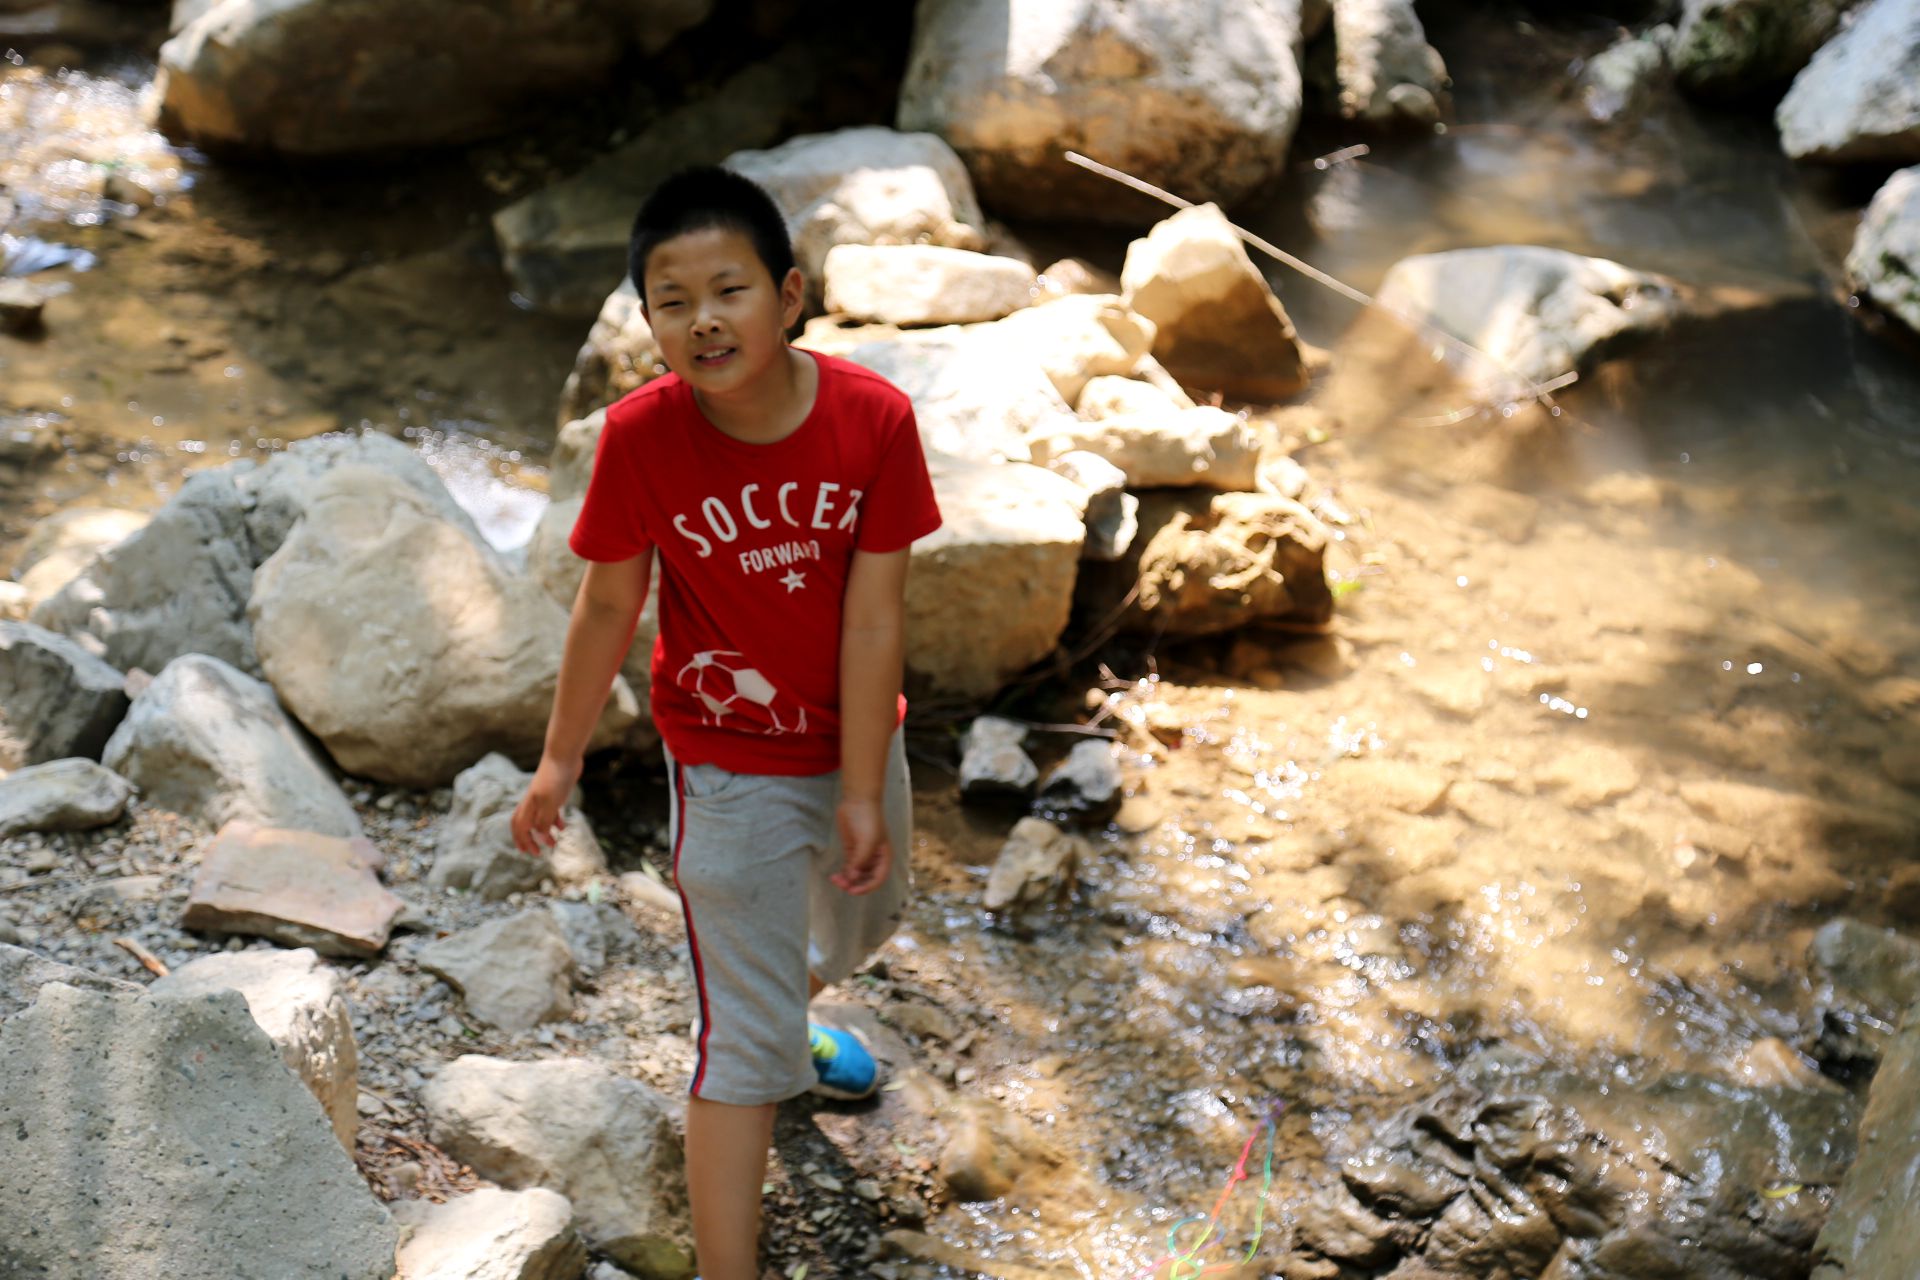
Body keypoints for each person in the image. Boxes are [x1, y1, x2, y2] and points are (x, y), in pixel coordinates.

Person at [509, 165, 941, 1280]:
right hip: (726, 759)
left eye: (729, 288)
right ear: (648, 321)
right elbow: (609, 600)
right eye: (672, 298)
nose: (703, 318)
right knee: (737, 1049)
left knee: (869, 914)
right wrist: (559, 758)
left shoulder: (874, 421)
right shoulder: (642, 440)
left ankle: (778, 1006)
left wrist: (858, 786)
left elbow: (874, 612)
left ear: (789, 295)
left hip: (857, 734)